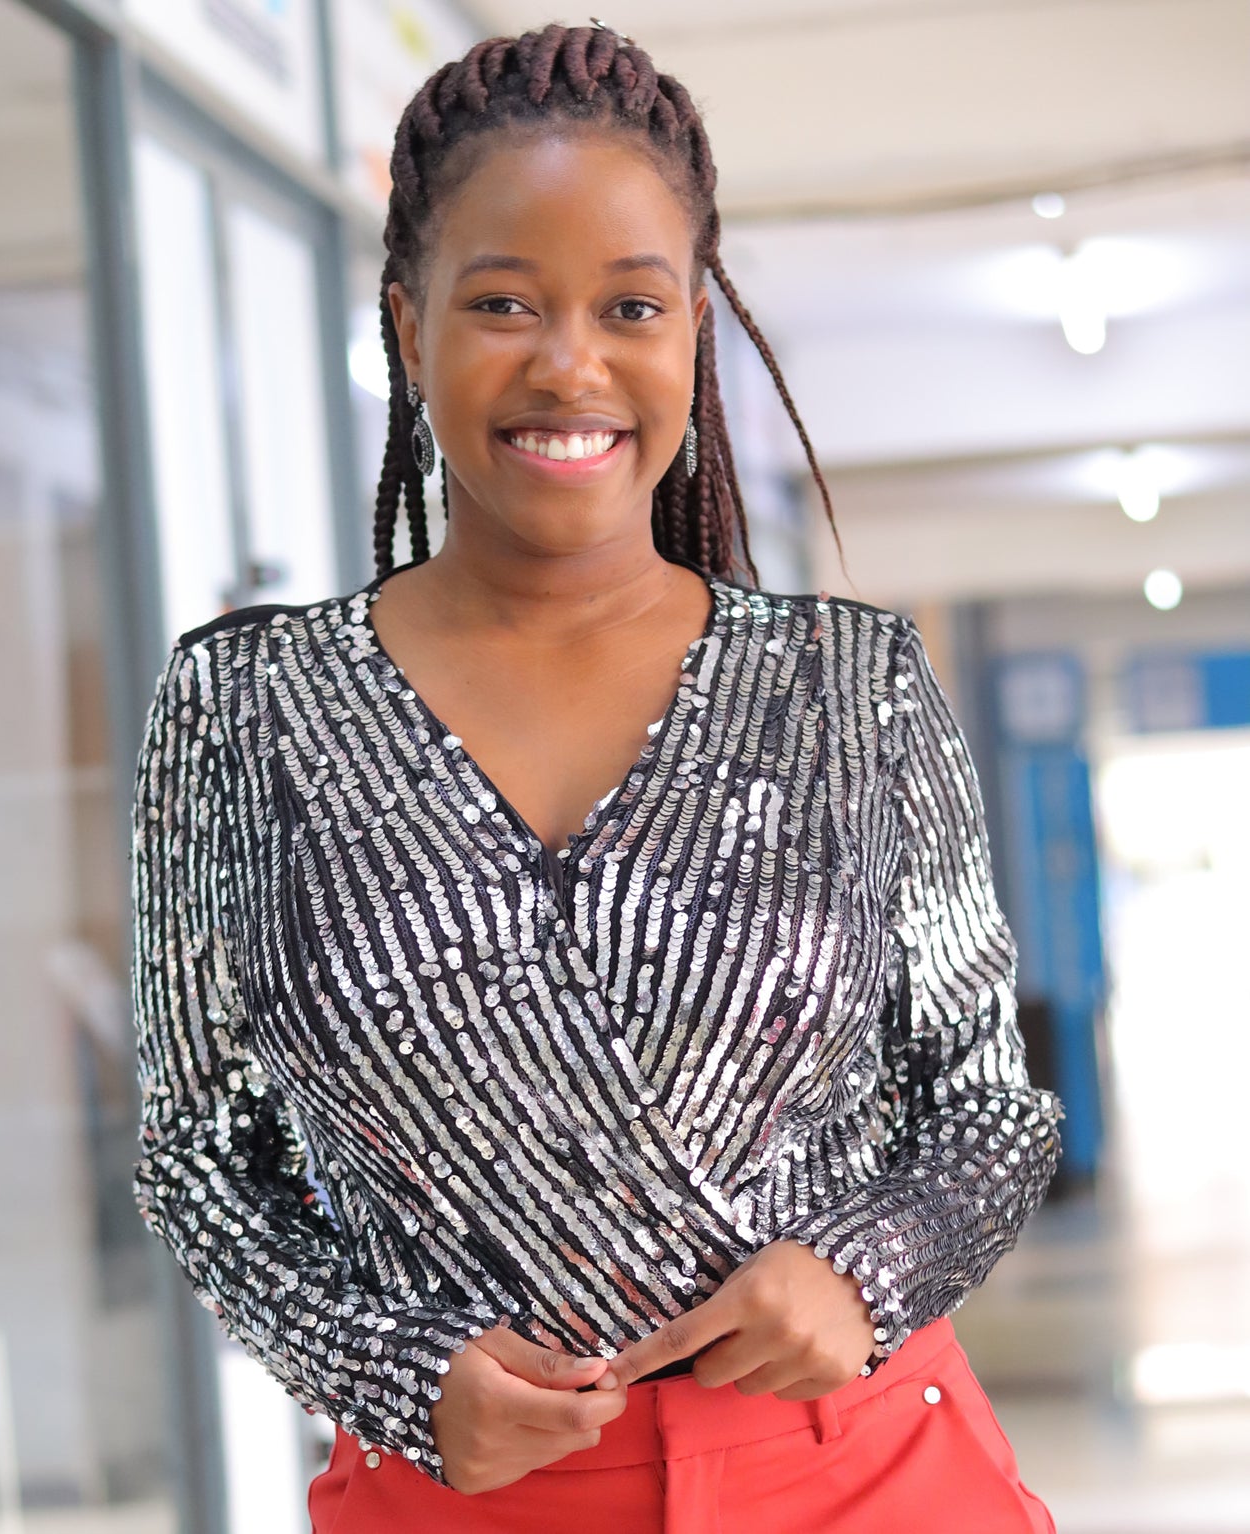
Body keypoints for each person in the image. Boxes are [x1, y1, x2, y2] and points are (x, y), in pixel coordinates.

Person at [129, 20, 1065, 1533]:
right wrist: (390, 1366)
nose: (570, 364)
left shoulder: (849, 683)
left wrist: (864, 1267)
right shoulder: (246, 708)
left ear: (691, 328)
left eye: (630, 306)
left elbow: (988, 1105)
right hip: (460, 1495)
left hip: (857, 1469)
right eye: (502, 302)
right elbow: (195, 1153)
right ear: (408, 325)